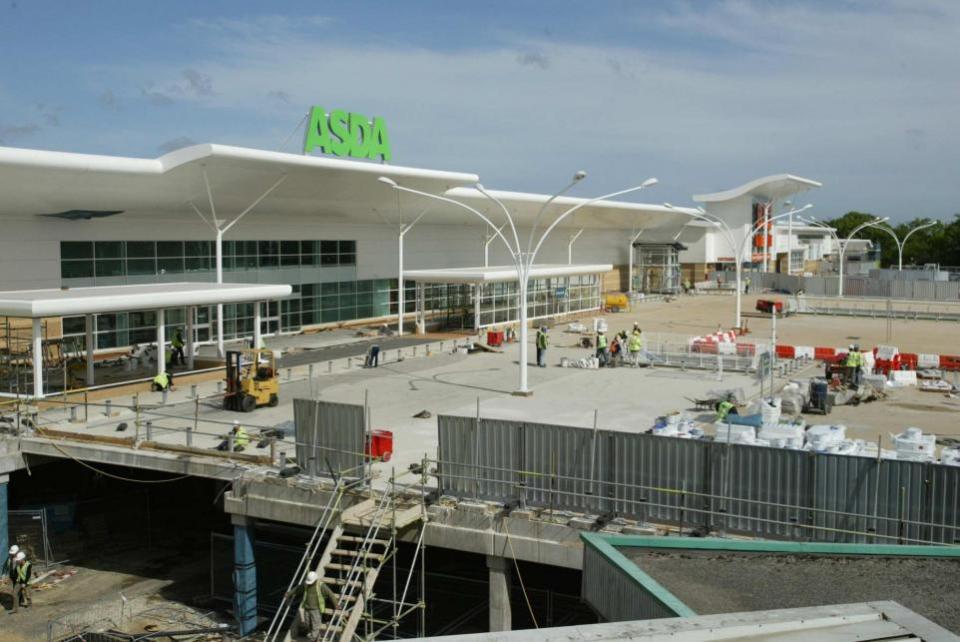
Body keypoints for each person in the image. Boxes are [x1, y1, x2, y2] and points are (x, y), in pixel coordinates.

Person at [286, 570, 338, 638]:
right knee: (307, 623)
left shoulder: (321, 586)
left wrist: (336, 604)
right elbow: (297, 589)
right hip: (307, 608)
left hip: (316, 609)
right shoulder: (305, 585)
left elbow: (330, 594)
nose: (309, 583)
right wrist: (289, 593)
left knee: (316, 625)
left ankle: (313, 638)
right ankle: (314, 635)